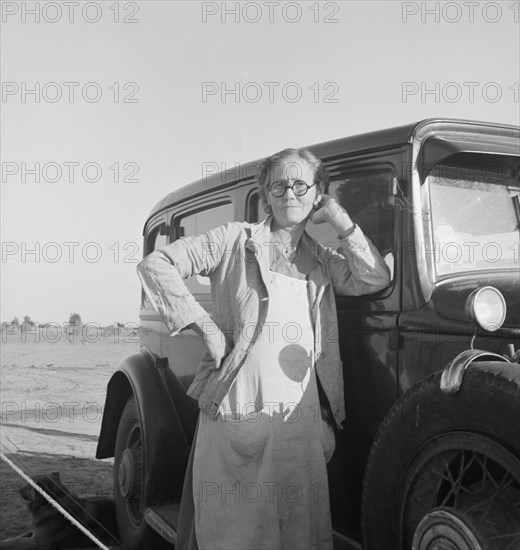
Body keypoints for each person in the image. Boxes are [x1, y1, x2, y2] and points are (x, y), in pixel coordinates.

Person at [136, 148, 391, 550]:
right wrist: (204, 326)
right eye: (278, 185)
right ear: (266, 193)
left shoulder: (323, 260)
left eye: (301, 184)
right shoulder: (234, 240)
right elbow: (156, 264)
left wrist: (341, 221)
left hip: (301, 422)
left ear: (317, 193)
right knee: (236, 533)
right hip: (239, 413)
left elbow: (374, 277)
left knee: (298, 534)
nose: (290, 193)